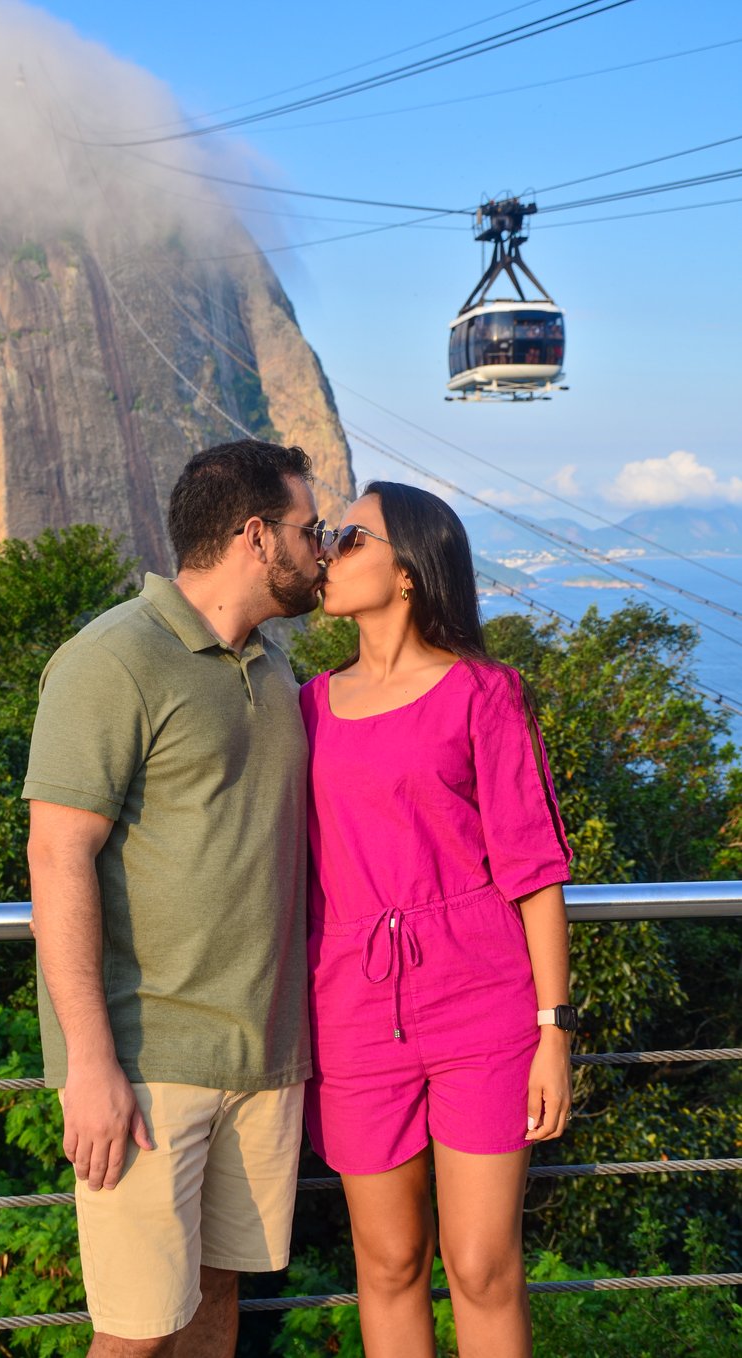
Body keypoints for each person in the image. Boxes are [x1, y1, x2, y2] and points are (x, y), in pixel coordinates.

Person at [23, 439, 330, 1358]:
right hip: (148, 1062)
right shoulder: (111, 659)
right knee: (135, 1333)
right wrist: (91, 1066)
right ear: (253, 535)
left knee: (213, 1310)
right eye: (310, 530)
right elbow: (56, 856)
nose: (323, 549)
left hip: (263, 1059)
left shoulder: (275, 671)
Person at [300, 482, 575, 1358]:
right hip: (350, 1009)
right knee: (386, 1262)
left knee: (483, 1263)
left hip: (482, 1004)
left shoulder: (483, 694)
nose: (329, 550)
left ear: (409, 570)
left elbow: (532, 870)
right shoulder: (304, 705)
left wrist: (555, 1032)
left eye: (350, 537)